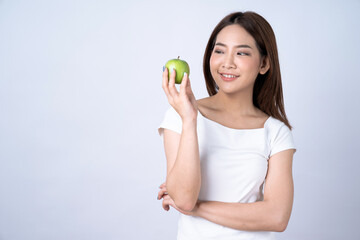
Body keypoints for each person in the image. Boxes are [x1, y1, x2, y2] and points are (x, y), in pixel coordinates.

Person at [157, 11, 296, 240]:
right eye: (219, 51)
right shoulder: (180, 116)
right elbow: (183, 198)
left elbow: (277, 217)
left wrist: (198, 208)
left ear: (264, 63)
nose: (227, 63)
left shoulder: (276, 132)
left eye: (241, 52)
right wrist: (190, 120)